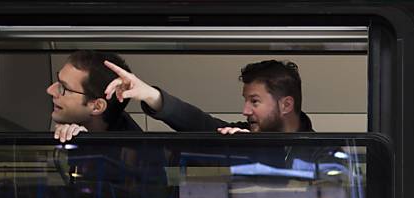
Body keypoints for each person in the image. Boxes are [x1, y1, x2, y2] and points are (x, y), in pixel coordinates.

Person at [103, 59, 314, 134]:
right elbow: (198, 123)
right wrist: (150, 95)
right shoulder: (242, 133)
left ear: (286, 105)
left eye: (254, 101)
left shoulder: (322, 153)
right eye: (245, 100)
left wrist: (256, 150)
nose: (245, 111)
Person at [48, 51, 141, 142]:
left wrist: (84, 146)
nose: (50, 90)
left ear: (97, 107)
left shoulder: (127, 148)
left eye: (64, 88)